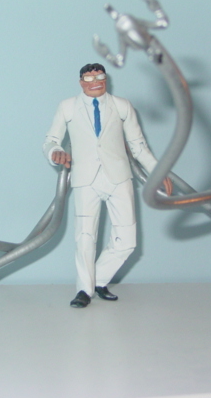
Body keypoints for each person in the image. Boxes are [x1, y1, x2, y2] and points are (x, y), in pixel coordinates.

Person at [43, 63, 171, 308]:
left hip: (119, 178)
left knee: (127, 239)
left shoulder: (122, 106)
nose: (95, 82)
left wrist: (158, 171)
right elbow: (50, 139)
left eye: (100, 77)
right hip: (85, 179)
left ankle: (98, 280)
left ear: (106, 79)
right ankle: (84, 290)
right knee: (84, 237)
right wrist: (55, 152)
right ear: (81, 82)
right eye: (89, 78)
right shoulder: (68, 106)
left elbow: (138, 145)